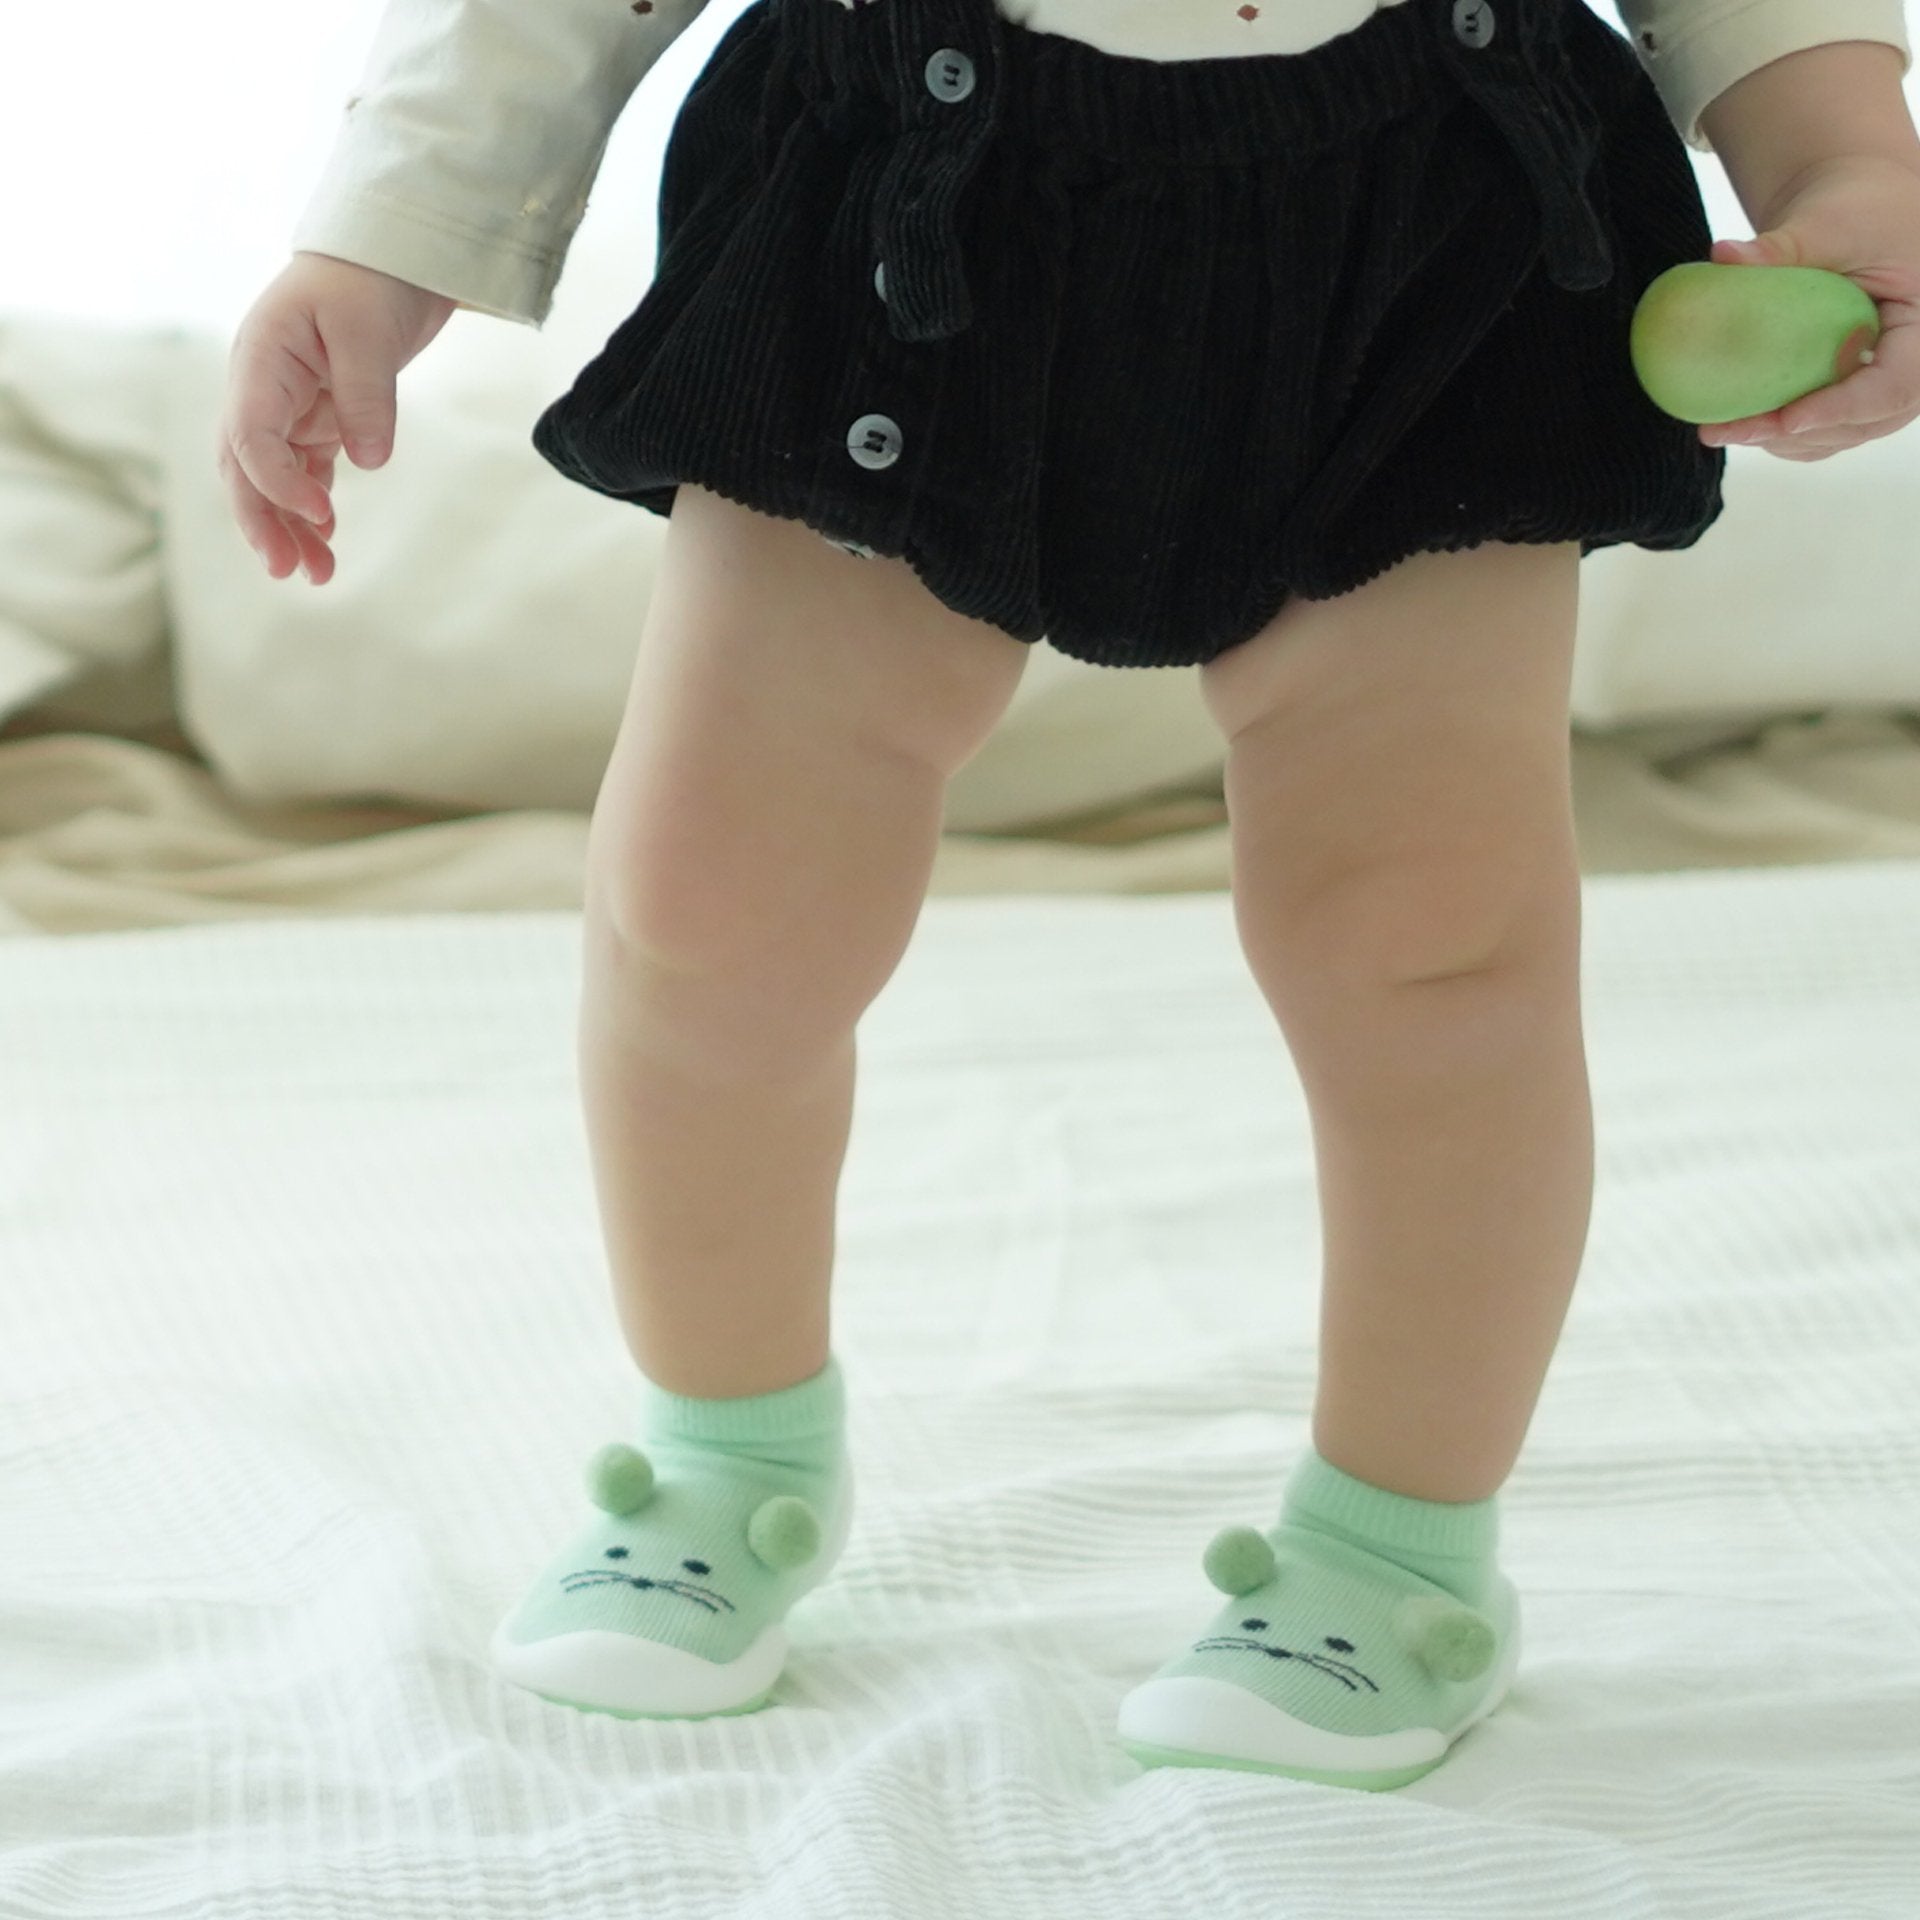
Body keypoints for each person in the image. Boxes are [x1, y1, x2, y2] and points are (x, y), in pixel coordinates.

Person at [214, 0, 1920, 1787]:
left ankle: (1398, 1552)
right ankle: (727, 1455)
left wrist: (1845, 156)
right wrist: (383, 242)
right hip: (903, 183)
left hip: (1423, 212)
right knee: (709, 909)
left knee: (1433, 948)